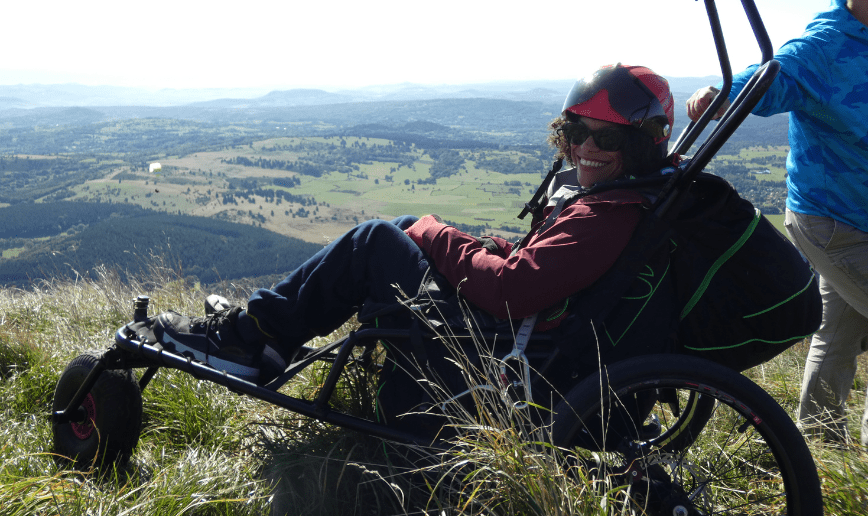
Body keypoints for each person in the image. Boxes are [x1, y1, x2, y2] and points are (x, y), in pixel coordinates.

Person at [152, 63, 676, 385]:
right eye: (576, 132)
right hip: (526, 334)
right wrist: (476, 243)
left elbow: (511, 290)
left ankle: (250, 338)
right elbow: (541, 270)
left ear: (638, 144)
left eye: (607, 138)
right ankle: (272, 333)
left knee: (375, 240)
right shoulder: (624, 198)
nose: (586, 148)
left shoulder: (608, 214)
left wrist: (437, 234)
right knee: (404, 225)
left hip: (501, 348)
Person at [687, 0, 868, 446]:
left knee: (839, 330)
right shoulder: (825, 46)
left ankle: (822, 442)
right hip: (834, 223)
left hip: (856, 218)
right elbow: (772, 76)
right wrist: (721, 94)